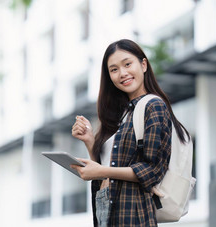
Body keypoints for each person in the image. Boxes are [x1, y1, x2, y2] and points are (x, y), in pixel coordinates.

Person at [71, 39, 190, 227]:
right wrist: (90, 141)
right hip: (107, 209)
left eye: (127, 64)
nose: (122, 73)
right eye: (114, 69)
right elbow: (109, 168)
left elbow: (152, 170)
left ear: (143, 65)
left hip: (134, 215)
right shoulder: (123, 114)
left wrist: (101, 170)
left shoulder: (154, 106)